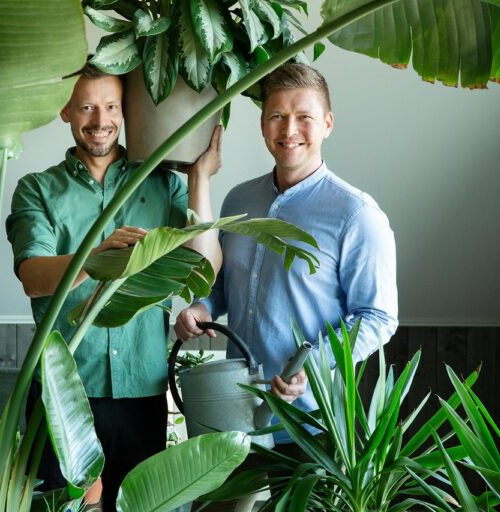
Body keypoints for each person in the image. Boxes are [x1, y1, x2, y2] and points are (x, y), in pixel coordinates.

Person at [6, 62, 222, 511]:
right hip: (62, 394)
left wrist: (199, 179)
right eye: (86, 107)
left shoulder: (162, 184)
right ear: (66, 111)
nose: (100, 120)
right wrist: (97, 258)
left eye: (110, 106)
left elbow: (206, 262)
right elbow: (33, 277)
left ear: (125, 111)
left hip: (141, 390)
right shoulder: (38, 190)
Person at [175, 62, 398, 493]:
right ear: (262, 125)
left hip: (311, 425)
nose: (289, 128)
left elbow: (378, 317)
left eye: (304, 117)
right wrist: (201, 308)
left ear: (328, 124)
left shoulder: (357, 215)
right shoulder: (240, 199)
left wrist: (312, 366)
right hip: (234, 415)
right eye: (277, 115)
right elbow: (224, 285)